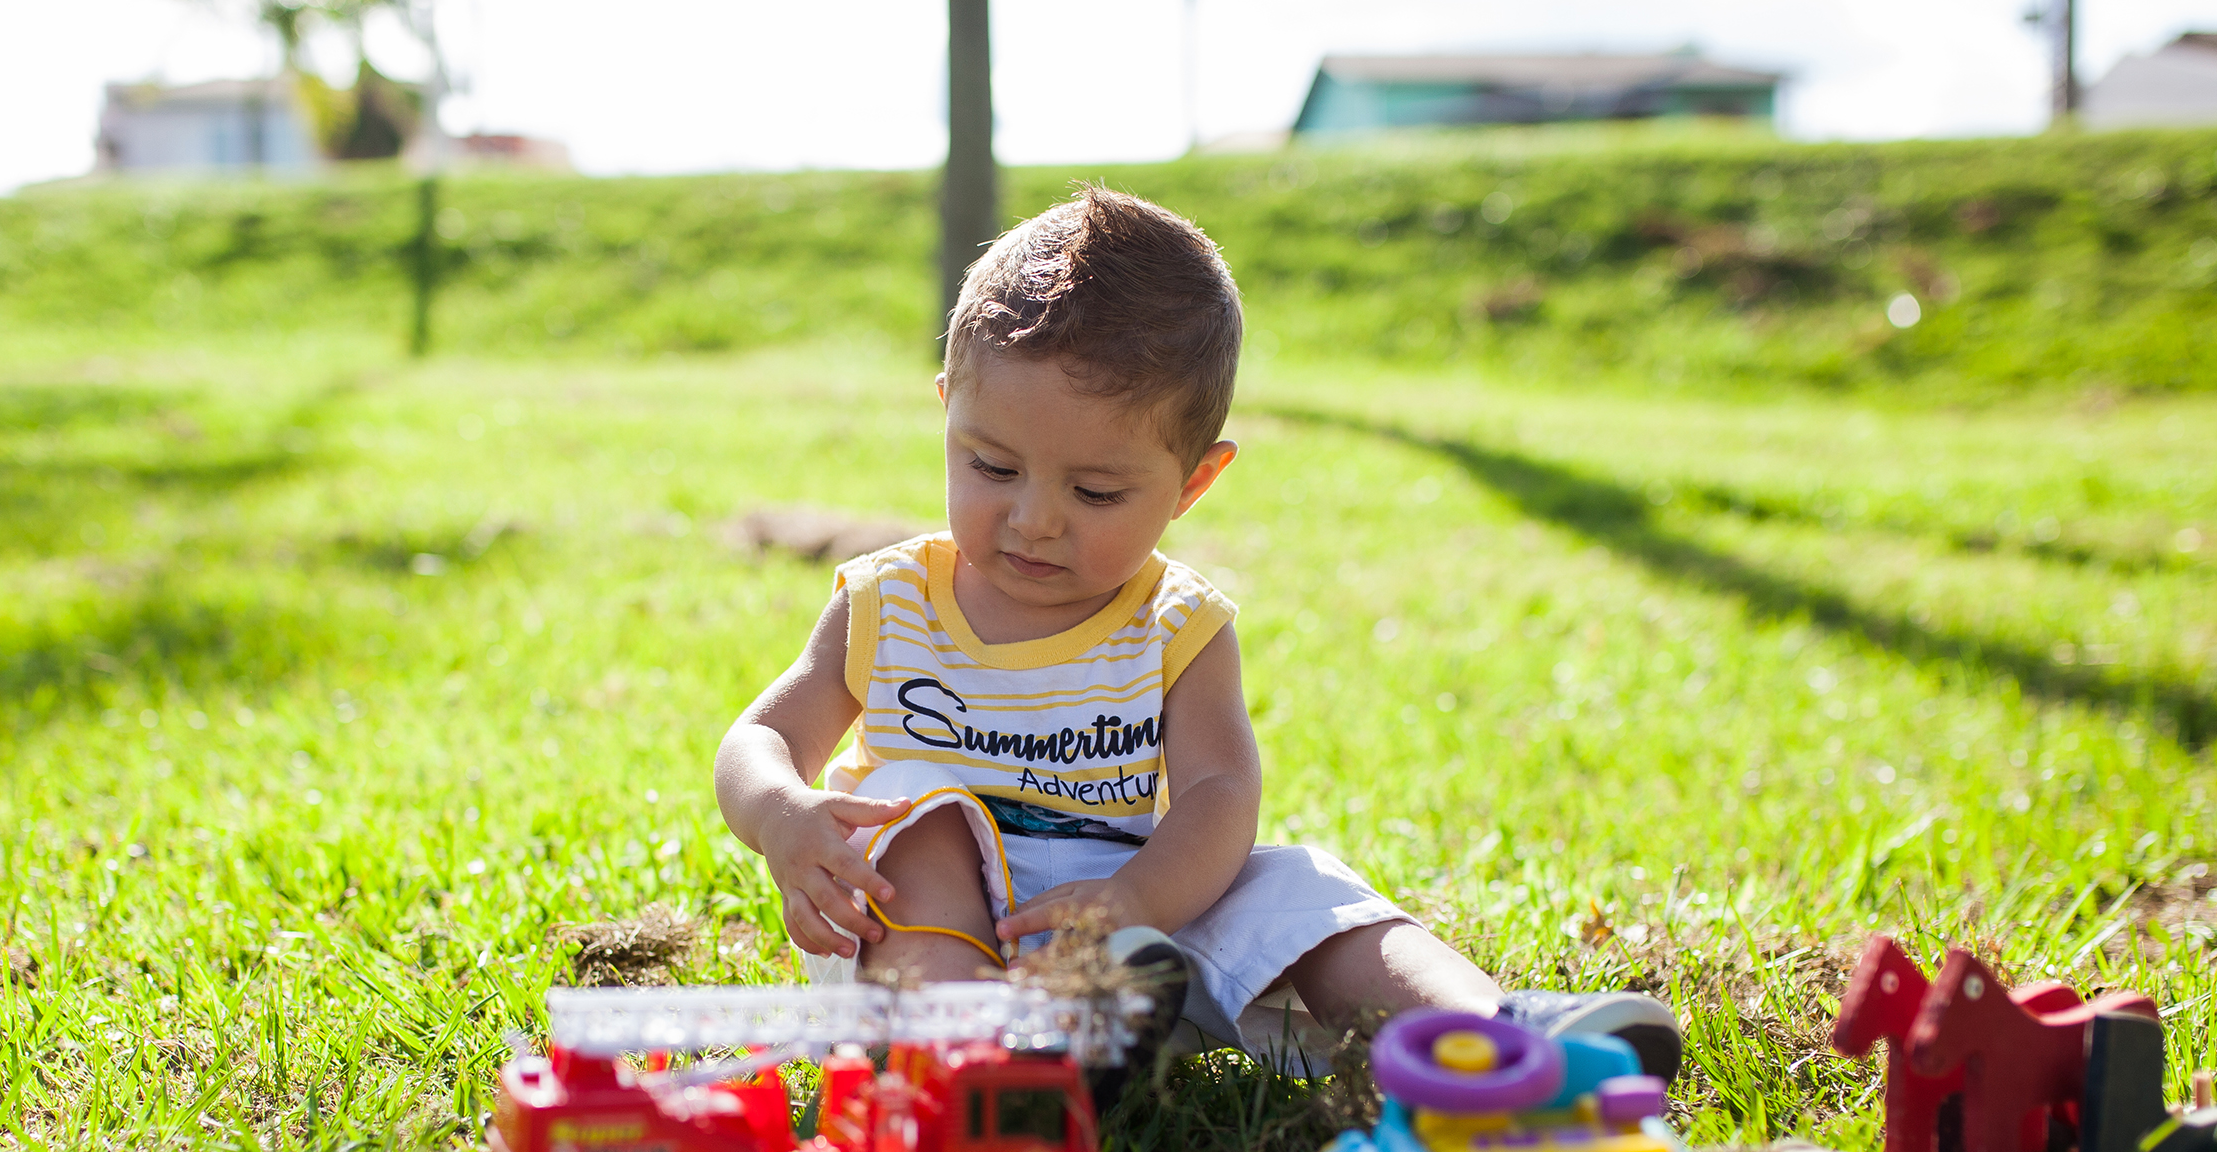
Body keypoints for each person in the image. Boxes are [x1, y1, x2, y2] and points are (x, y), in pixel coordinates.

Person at [713, 186, 1680, 1088]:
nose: (1034, 519)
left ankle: (1495, 1039)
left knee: (1298, 886)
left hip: (1133, 935)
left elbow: (1221, 792)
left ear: (1193, 483)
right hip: (927, 950)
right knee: (908, 808)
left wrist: (1138, 902)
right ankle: (983, 1053)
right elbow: (761, 738)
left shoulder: (1179, 626)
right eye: (992, 466)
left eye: (1095, 492)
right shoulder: (891, 601)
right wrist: (784, 816)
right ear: (948, 415)